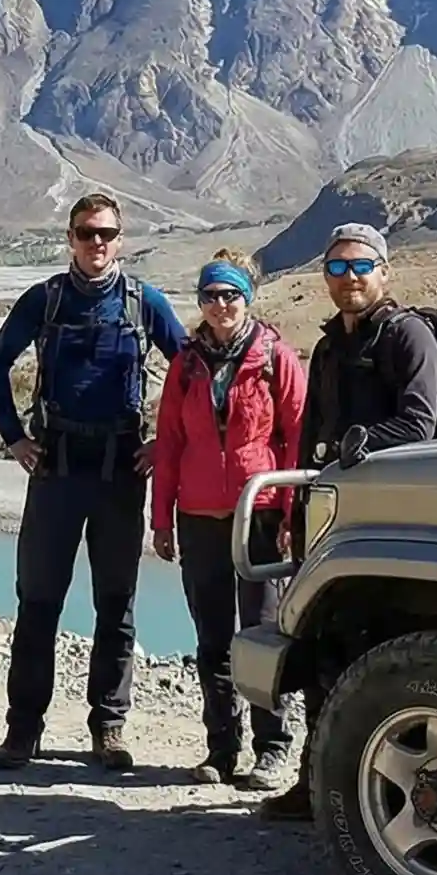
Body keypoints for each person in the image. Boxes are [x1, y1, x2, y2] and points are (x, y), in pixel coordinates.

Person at [0, 190, 187, 771]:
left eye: (106, 233)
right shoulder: (45, 300)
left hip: (121, 469)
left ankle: (109, 726)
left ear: (121, 240)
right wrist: (13, 436)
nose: (96, 243)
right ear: (69, 238)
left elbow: (190, 369)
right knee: (38, 601)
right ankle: (23, 730)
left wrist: (164, 442)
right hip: (55, 468)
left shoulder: (144, 303)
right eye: (85, 232)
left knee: (115, 604)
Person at [257, 222, 437, 822]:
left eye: (360, 266)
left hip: (395, 527)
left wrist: (360, 444)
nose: (349, 278)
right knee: (323, 649)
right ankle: (317, 784)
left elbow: (420, 425)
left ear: (385, 271)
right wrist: (294, 508)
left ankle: (379, 797)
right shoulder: (331, 343)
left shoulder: (408, 336)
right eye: (336, 269)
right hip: (329, 519)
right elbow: (310, 432)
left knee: (380, 655)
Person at [150, 249, 306, 788]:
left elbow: (296, 437)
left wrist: (290, 509)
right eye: (210, 296)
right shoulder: (186, 363)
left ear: (248, 298)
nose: (220, 306)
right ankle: (222, 749)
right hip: (198, 516)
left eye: (230, 295)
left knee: (262, 633)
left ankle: (273, 746)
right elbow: (168, 443)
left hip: (258, 513)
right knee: (212, 639)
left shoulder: (274, 357)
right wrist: (161, 518)